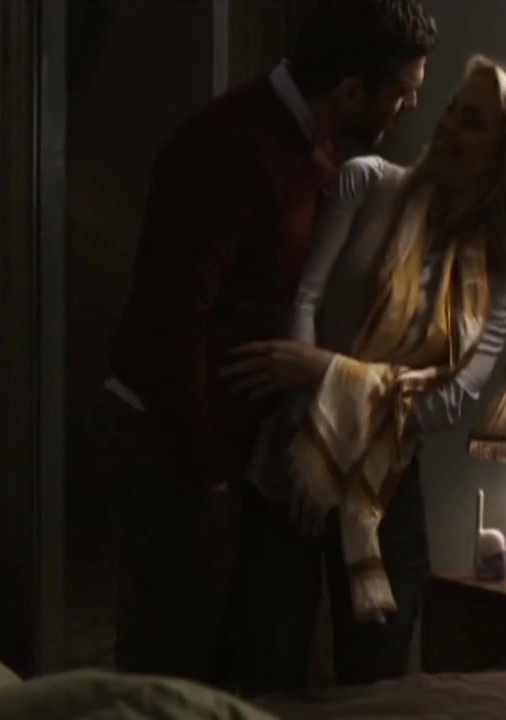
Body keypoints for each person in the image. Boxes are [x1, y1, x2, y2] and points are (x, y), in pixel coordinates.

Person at [102, 0, 439, 692]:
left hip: (238, 448)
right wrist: (207, 470)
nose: (410, 107)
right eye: (403, 93)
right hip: (178, 442)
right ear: (352, 91)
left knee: (235, 665)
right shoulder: (226, 146)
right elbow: (172, 320)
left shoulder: (319, 153)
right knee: (169, 669)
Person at [223, 54, 506, 686]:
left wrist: (320, 369)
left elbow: (449, 402)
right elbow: (305, 301)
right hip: (295, 458)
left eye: (472, 121)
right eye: (452, 108)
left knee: (379, 685)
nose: (446, 124)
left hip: (386, 484)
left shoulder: (499, 272)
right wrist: (309, 440)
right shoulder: (367, 182)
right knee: (266, 672)